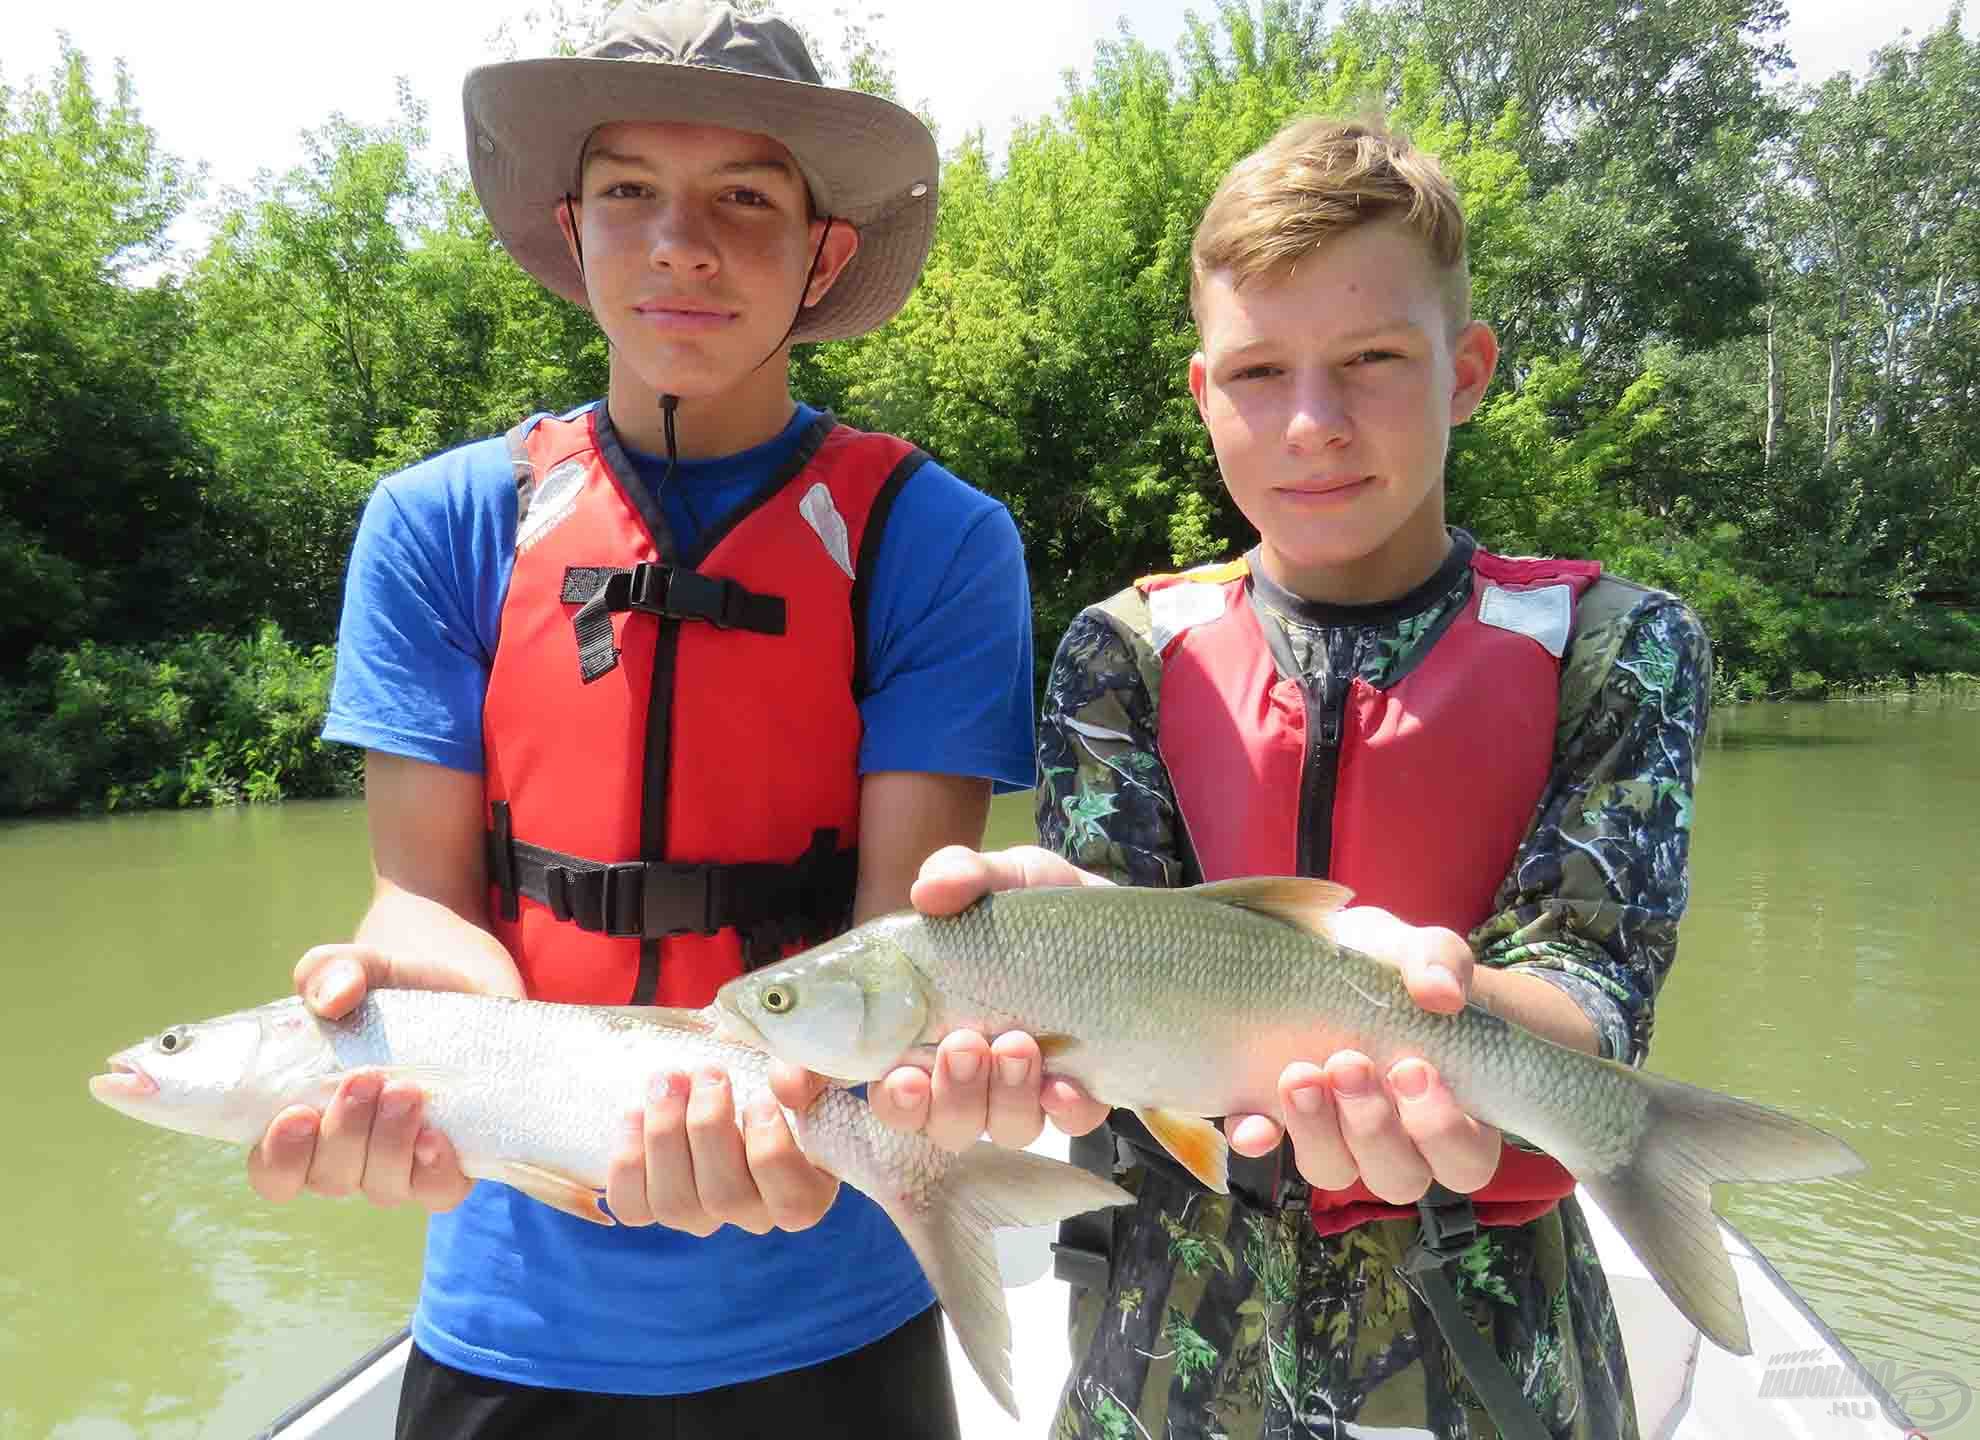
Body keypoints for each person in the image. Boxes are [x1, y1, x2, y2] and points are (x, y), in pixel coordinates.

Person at [237, 5, 1037, 1436]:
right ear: (574, 230)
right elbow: (415, 902)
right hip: (508, 1316)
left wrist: (802, 1112)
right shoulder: (436, 524)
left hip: (836, 1299)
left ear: (823, 253)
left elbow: (898, 947)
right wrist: (390, 1021)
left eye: (745, 196)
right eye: (630, 195)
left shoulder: (938, 540)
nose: (681, 242)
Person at [884, 115, 1714, 1439]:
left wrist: (1450, 1021)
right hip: (1161, 1350)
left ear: (1467, 369)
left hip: (1504, 1360)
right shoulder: (1123, 651)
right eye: (1261, 372)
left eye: (1372, 360)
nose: (1313, 423)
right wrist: (1020, 974)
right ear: (1205, 393)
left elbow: (1598, 991)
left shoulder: (1623, 646)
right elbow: (1096, 1021)